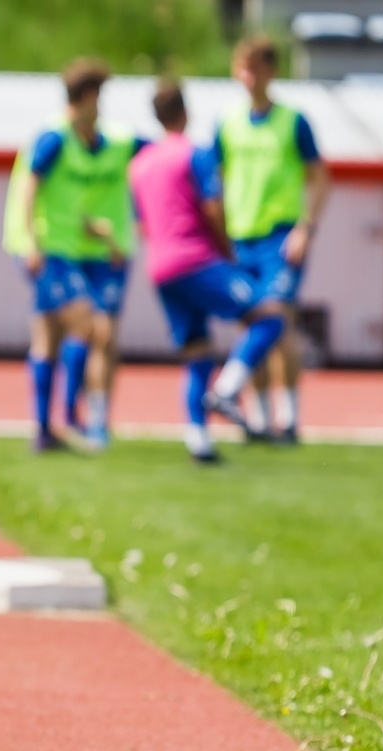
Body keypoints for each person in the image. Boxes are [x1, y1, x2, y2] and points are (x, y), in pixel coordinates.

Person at [129, 80, 287, 464]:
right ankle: (229, 390)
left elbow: (142, 224)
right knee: (270, 316)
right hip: (196, 259)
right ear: (186, 112)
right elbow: (213, 207)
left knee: (197, 351)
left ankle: (198, 439)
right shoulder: (195, 155)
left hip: (161, 268)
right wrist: (227, 252)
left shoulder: (139, 164)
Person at [4, 58, 146, 451]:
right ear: (89, 96)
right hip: (48, 248)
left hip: (65, 246)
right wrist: (31, 242)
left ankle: (46, 430)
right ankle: (74, 419)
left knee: (49, 333)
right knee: (90, 324)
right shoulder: (54, 138)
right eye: (100, 97)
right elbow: (29, 189)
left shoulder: (93, 139)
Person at [214, 35, 330, 443]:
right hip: (239, 239)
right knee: (251, 328)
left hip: (279, 239)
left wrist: (305, 228)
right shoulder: (226, 124)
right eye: (242, 68)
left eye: (255, 68)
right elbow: (214, 181)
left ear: (270, 71)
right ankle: (258, 421)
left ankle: (289, 418)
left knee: (278, 321)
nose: (248, 77)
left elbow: (319, 179)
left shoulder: (292, 121)